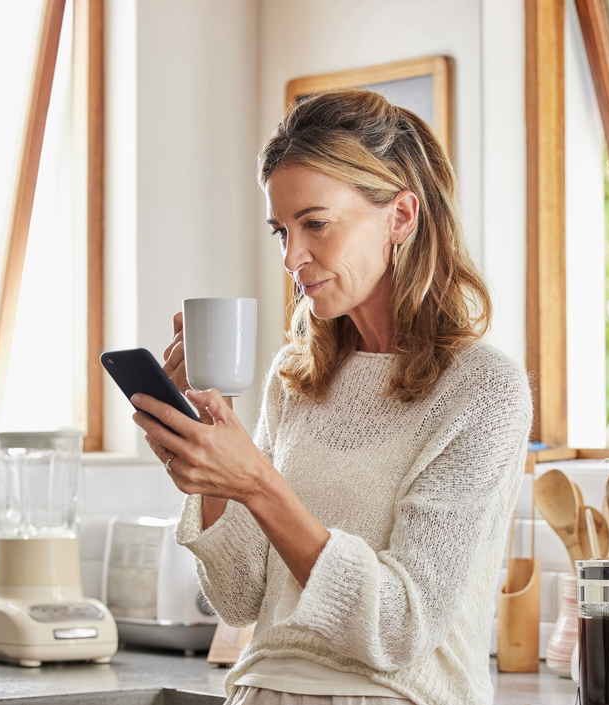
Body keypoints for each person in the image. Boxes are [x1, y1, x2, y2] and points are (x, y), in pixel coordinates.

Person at [130, 89, 532, 705]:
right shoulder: (297, 378)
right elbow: (239, 600)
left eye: (315, 224)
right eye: (281, 231)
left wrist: (258, 482)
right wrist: (212, 468)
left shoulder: (484, 392)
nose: (292, 257)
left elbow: (398, 628)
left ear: (401, 216)